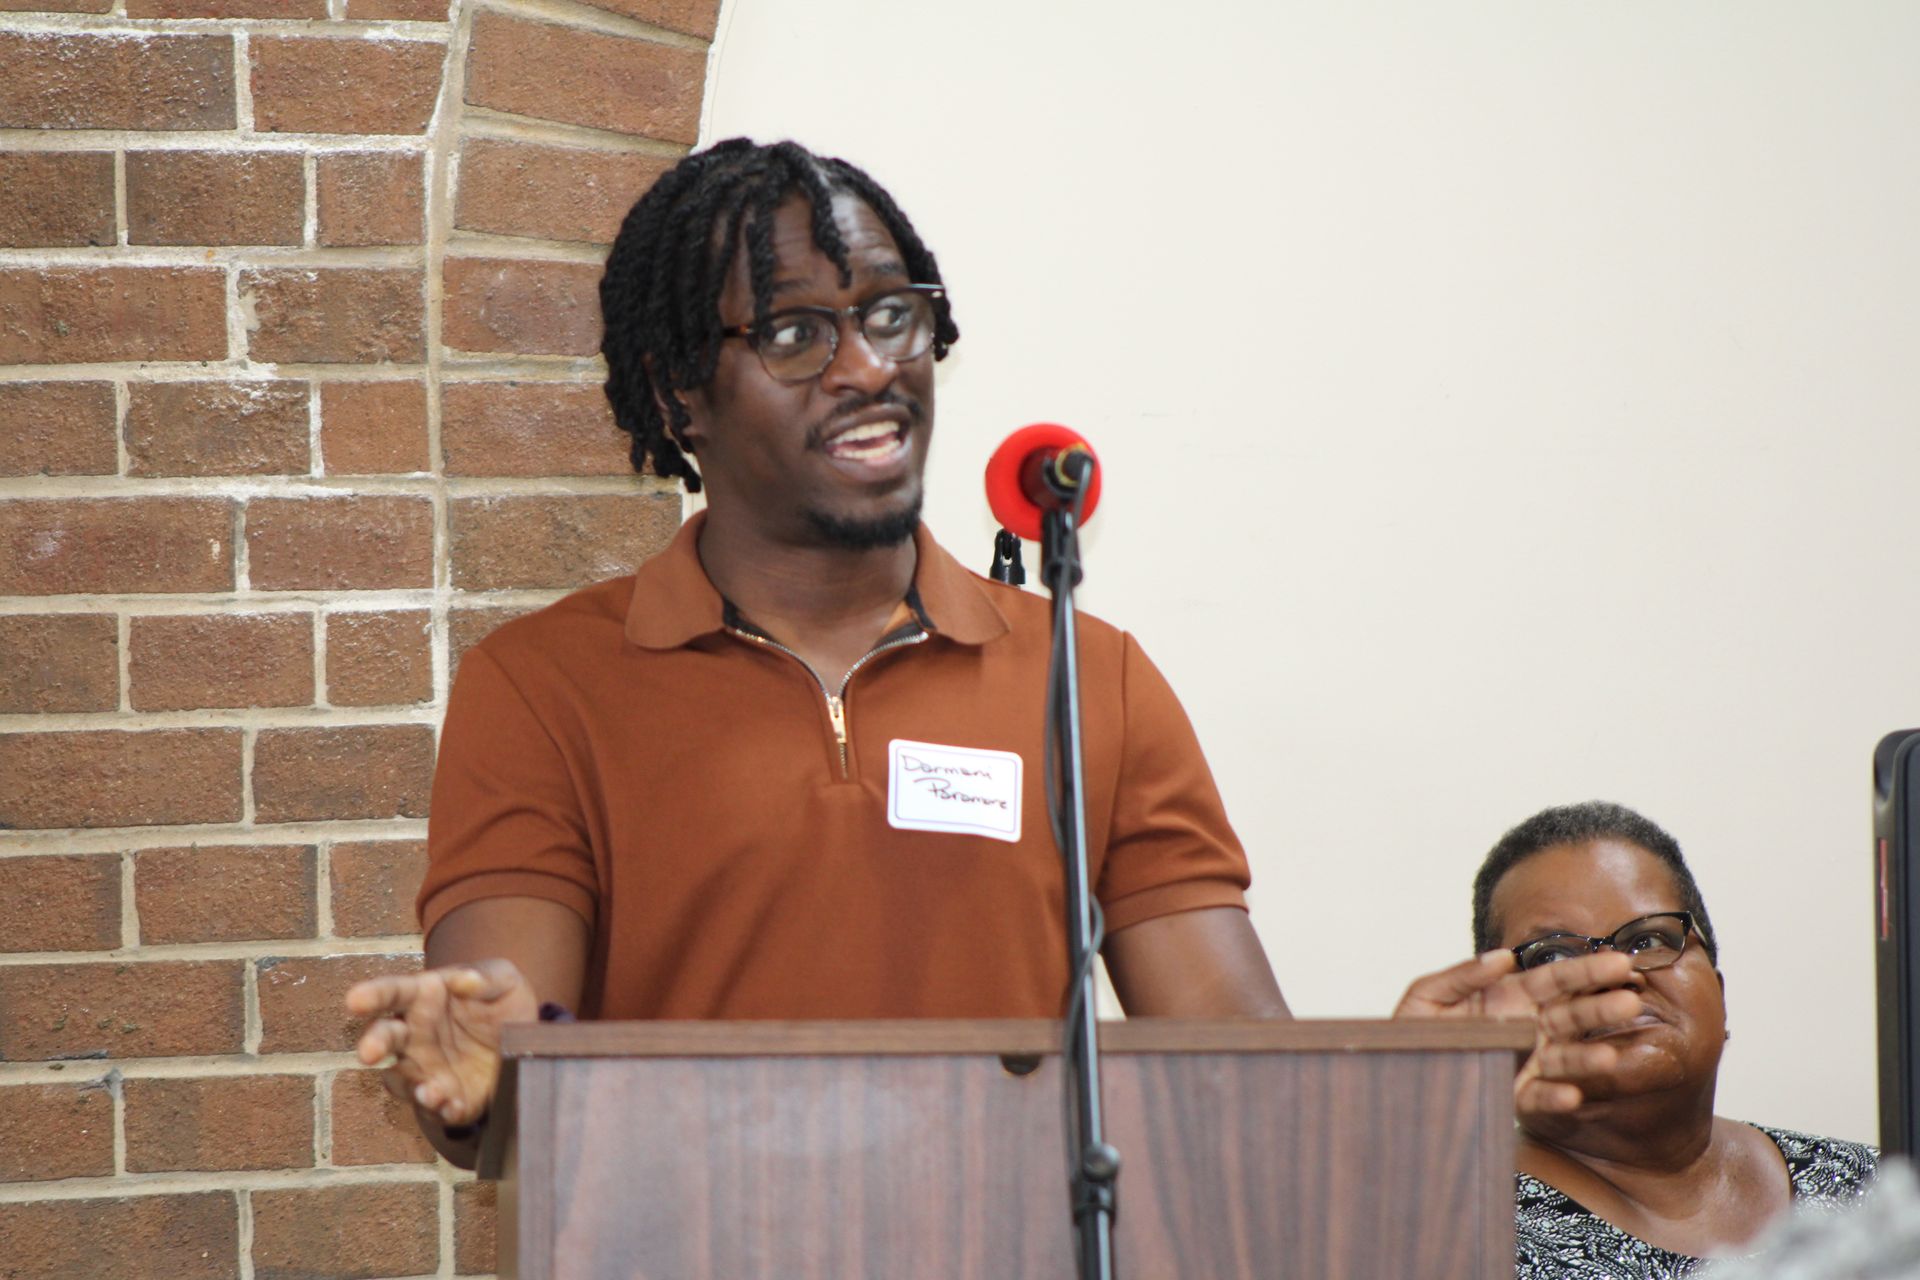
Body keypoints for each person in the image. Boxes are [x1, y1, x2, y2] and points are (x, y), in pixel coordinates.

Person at [345, 137, 1631, 1168]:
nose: (867, 368)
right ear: (680, 390)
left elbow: (1241, 1074)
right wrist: (485, 1069)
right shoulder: (547, 684)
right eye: (796, 334)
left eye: (892, 316)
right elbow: (508, 1057)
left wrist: (1415, 1071)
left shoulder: (1090, 674)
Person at [1470, 801, 1875, 1277]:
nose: (1614, 974)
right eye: (1553, 957)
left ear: (1719, 993)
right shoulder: (1442, 1238)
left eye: (1648, 940)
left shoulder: (1881, 1190)